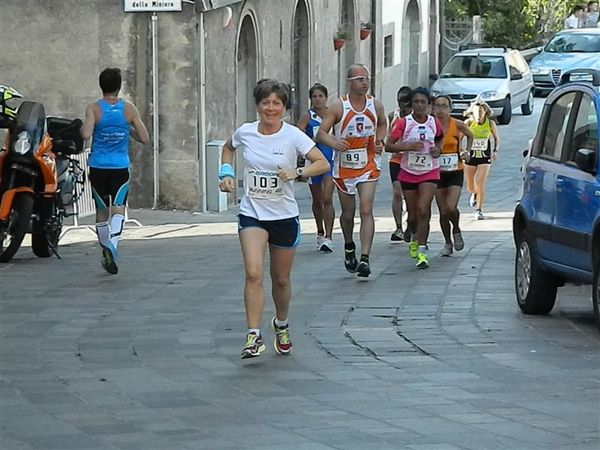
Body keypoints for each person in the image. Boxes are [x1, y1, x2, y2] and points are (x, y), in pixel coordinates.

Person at [219, 79, 329, 359]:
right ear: (257, 105)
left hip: (284, 216)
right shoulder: (246, 132)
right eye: (265, 102)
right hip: (252, 213)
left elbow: (322, 163)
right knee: (253, 273)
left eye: (276, 103)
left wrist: (298, 172)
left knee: (280, 279)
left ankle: (281, 323)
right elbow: (228, 148)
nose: (270, 108)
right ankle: (253, 336)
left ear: (284, 107)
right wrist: (226, 172)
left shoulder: (293, 136)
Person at [316, 64, 387, 279]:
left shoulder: (375, 104)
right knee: (348, 213)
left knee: (366, 210)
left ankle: (365, 258)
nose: (364, 83)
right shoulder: (339, 106)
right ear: (350, 82)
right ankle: (349, 245)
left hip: (368, 165)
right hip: (344, 168)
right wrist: (335, 142)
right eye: (360, 79)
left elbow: (383, 123)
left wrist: (380, 140)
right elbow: (321, 133)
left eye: (367, 78)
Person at [80, 68, 149, 275]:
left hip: (98, 166)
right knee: (118, 208)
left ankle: (105, 251)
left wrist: (83, 127)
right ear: (119, 86)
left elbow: (86, 134)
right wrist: (127, 130)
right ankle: (113, 245)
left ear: (101, 85)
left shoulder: (94, 108)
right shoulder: (129, 109)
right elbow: (145, 138)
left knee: (101, 212)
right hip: (120, 167)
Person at [385, 87, 442, 269]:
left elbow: (440, 139)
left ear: (428, 105)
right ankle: (414, 238)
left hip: (429, 171)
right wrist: (407, 146)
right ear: (412, 104)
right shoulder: (403, 123)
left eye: (422, 102)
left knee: (423, 209)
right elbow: (388, 146)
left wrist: (437, 149)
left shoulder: (434, 122)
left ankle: (423, 251)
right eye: (416, 102)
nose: (419, 105)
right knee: (412, 214)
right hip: (409, 172)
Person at [432, 95, 473, 256]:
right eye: (437, 106)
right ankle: (447, 243)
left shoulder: (457, 125)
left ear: (450, 108)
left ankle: (456, 229)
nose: (440, 110)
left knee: (450, 207)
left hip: (455, 170)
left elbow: (470, 135)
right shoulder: (431, 125)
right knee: (442, 211)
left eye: (444, 106)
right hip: (436, 172)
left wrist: (467, 151)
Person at [296, 83, 335, 253]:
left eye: (320, 96)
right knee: (318, 200)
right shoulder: (307, 116)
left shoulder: (333, 114)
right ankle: (319, 231)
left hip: (331, 160)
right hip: (313, 162)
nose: (318, 99)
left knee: (328, 198)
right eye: (314, 96)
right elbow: (297, 135)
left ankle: (329, 236)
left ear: (326, 97)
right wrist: (309, 140)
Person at [463, 100, 499, 221]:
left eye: (481, 112)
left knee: (480, 183)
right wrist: (462, 151)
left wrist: (495, 151)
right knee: (470, 186)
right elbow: (458, 138)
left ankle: (479, 209)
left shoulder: (490, 123)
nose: (479, 115)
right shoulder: (468, 123)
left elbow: (496, 139)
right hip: (471, 157)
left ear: (485, 112)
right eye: (476, 112)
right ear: (472, 113)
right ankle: (474, 193)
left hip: (485, 156)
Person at [387, 86, 412, 243]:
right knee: (397, 192)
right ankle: (398, 227)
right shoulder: (392, 115)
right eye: (399, 101)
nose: (402, 105)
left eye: (405, 102)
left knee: (409, 194)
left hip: (410, 159)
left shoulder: (416, 117)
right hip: (396, 159)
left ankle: (411, 223)